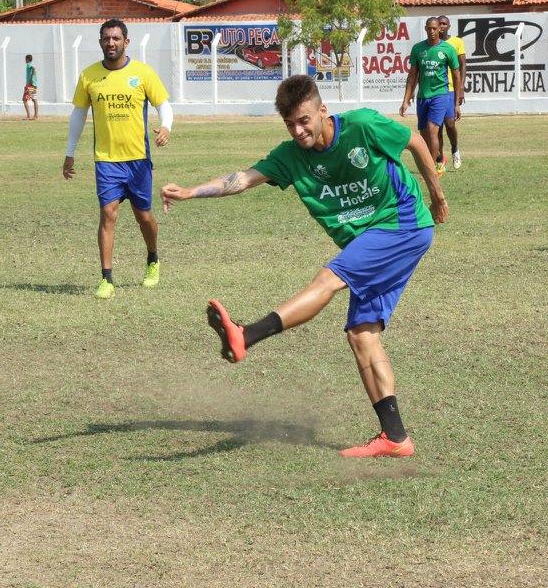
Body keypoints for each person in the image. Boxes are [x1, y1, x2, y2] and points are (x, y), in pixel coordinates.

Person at [161, 75, 448, 458]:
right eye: (290, 124)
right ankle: (395, 438)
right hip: (370, 240)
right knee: (362, 335)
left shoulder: (361, 126)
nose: (299, 131)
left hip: (402, 224)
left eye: (304, 120)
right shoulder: (290, 156)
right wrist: (191, 191)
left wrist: (437, 195)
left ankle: (246, 336)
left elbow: (412, 140)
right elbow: (243, 178)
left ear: (322, 111)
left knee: (330, 278)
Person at [63, 18, 174, 299]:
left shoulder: (143, 73)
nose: (110, 43)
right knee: (108, 214)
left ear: (126, 41)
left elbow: (164, 104)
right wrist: (70, 152)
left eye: (115, 38)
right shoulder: (89, 76)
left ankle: (153, 259)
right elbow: (78, 115)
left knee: (143, 216)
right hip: (106, 160)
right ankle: (107, 279)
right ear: (100, 42)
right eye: (105, 38)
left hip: (138, 159)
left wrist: (166, 126)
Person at [400, 17, 461, 177]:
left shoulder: (448, 49)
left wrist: (456, 104)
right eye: (429, 28)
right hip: (422, 97)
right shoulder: (418, 49)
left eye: (435, 28)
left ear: (439, 30)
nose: (432, 31)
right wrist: (406, 99)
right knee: (424, 133)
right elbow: (412, 75)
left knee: (433, 130)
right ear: (426, 29)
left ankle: (432, 169)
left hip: (441, 95)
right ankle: (440, 159)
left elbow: (456, 76)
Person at [437, 15, 466, 170]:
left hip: (451, 89)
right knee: (437, 127)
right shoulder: (433, 44)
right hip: (437, 89)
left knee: (450, 124)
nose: (441, 26)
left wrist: (460, 88)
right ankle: (440, 159)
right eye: (439, 24)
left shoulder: (457, 42)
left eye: (444, 24)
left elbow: (463, 66)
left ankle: (455, 149)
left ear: (448, 26)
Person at [23, 54, 38, 120]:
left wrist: (29, 82)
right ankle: (36, 116)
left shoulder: (28, 65)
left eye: (25, 59)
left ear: (27, 59)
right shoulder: (30, 64)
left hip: (30, 85)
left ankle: (28, 116)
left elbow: (33, 67)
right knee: (34, 99)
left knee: (24, 99)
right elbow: (33, 68)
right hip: (33, 85)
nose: (25, 60)